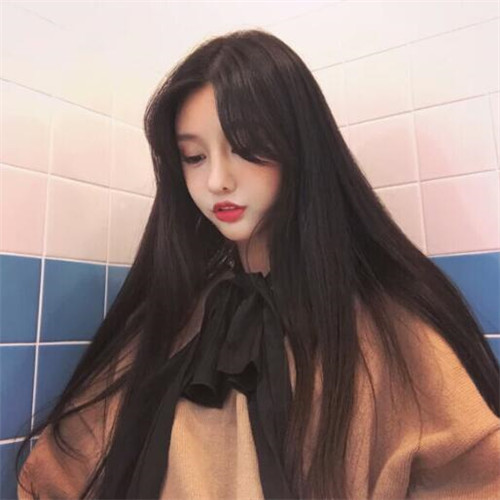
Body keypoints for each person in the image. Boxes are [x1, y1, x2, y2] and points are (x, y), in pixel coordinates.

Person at [16, 28, 500, 500]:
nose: (217, 180)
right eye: (194, 156)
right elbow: (58, 471)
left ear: (299, 148)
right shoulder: (175, 319)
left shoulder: (387, 330)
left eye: (245, 147)